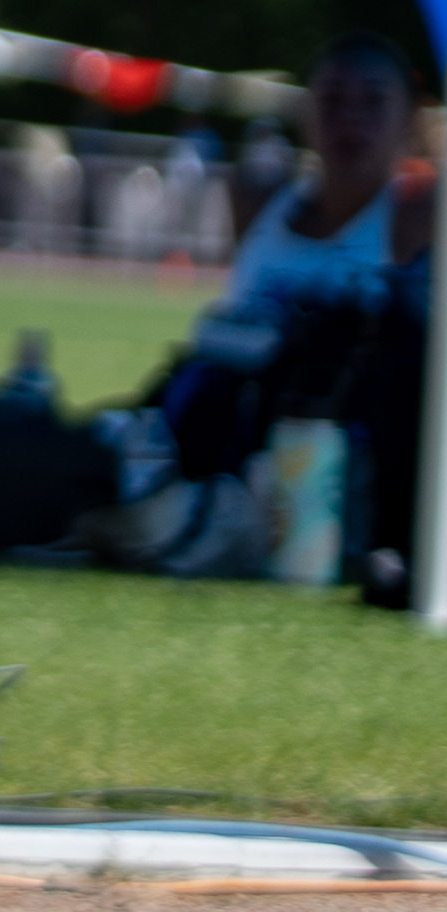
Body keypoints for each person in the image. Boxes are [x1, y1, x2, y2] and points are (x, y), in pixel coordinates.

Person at [93, 35, 434, 577]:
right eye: (334, 100)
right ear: (305, 112)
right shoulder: (256, 199)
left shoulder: (421, 217)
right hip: (219, 441)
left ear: (409, 118)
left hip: (337, 479)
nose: (352, 119)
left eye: (373, 101)